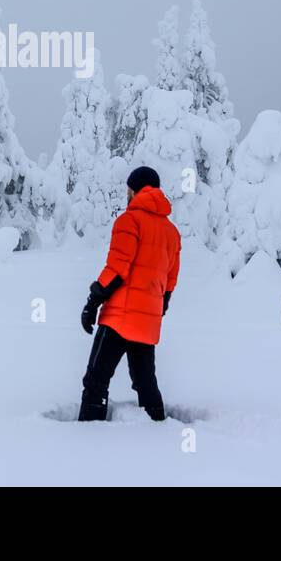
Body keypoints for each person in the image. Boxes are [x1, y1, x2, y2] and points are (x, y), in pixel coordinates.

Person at [77, 165, 181, 422]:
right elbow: (170, 280)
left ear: (135, 190)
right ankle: (157, 429)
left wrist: (93, 301)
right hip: (147, 322)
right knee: (146, 384)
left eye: (128, 189)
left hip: (118, 318)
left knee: (96, 381)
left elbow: (117, 268)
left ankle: (86, 437)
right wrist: (158, 308)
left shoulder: (129, 221)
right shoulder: (171, 232)